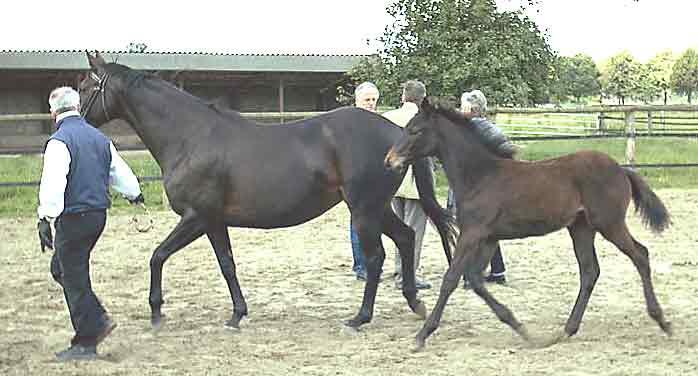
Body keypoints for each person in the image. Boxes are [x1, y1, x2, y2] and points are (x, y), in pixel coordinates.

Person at [37, 86, 144, 361]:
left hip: (73, 217)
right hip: (97, 216)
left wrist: (45, 218)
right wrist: (134, 194)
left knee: (72, 275)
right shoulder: (100, 138)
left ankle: (86, 340)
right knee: (62, 268)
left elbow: (53, 183)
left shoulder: (59, 141)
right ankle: (97, 319)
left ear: (53, 111)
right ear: (78, 106)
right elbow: (120, 172)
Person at [448, 90, 507, 288]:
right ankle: (498, 270)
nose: (460, 109)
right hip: (495, 186)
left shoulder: (465, 132)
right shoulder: (494, 129)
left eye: (462, 106)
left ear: (470, 109)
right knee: (490, 229)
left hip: (471, 188)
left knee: (469, 231)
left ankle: (468, 276)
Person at [381, 80, 432, 290]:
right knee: (414, 230)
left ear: (403, 96)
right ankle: (407, 275)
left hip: (391, 182)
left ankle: (398, 268)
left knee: (398, 225)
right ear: (422, 99)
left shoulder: (386, 118)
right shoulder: (424, 120)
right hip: (414, 183)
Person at [349, 82, 380, 280]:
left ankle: (372, 263)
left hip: (375, 179)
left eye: (373, 100)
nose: (370, 103)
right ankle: (361, 265)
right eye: (367, 100)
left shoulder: (379, 121)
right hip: (355, 178)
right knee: (357, 222)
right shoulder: (350, 123)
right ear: (357, 101)